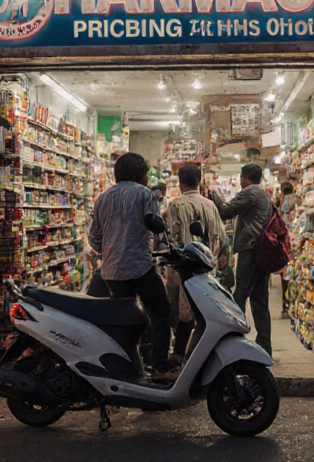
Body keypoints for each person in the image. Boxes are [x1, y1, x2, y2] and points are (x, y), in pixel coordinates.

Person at [87, 152, 175, 375]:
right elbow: (157, 225)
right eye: (145, 174)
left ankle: (126, 366)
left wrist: (111, 252)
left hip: (111, 272)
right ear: (139, 174)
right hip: (139, 267)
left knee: (125, 318)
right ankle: (160, 365)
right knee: (161, 310)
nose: (147, 179)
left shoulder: (103, 198)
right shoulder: (144, 194)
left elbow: (94, 237)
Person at [163, 164, 228, 359]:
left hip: (183, 270)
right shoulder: (210, 205)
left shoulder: (175, 205)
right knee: (201, 311)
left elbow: (171, 238)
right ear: (199, 182)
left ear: (180, 183)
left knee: (182, 313)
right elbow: (221, 237)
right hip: (207, 270)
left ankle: (179, 354)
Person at [211, 163, 273, 356]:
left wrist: (214, 194)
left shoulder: (250, 192)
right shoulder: (262, 193)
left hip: (250, 250)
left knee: (239, 297)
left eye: (241, 177)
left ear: (245, 177)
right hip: (261, 252)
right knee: (259, 300)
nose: (239, 181)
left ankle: (234, 343)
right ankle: (264, 346)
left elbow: (226, 211)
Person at [279, 182, 298, 315]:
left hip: (287, 239)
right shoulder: (296, 199)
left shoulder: (286, 202)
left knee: (286, 274)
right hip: (294, 236)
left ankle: (286, 303)